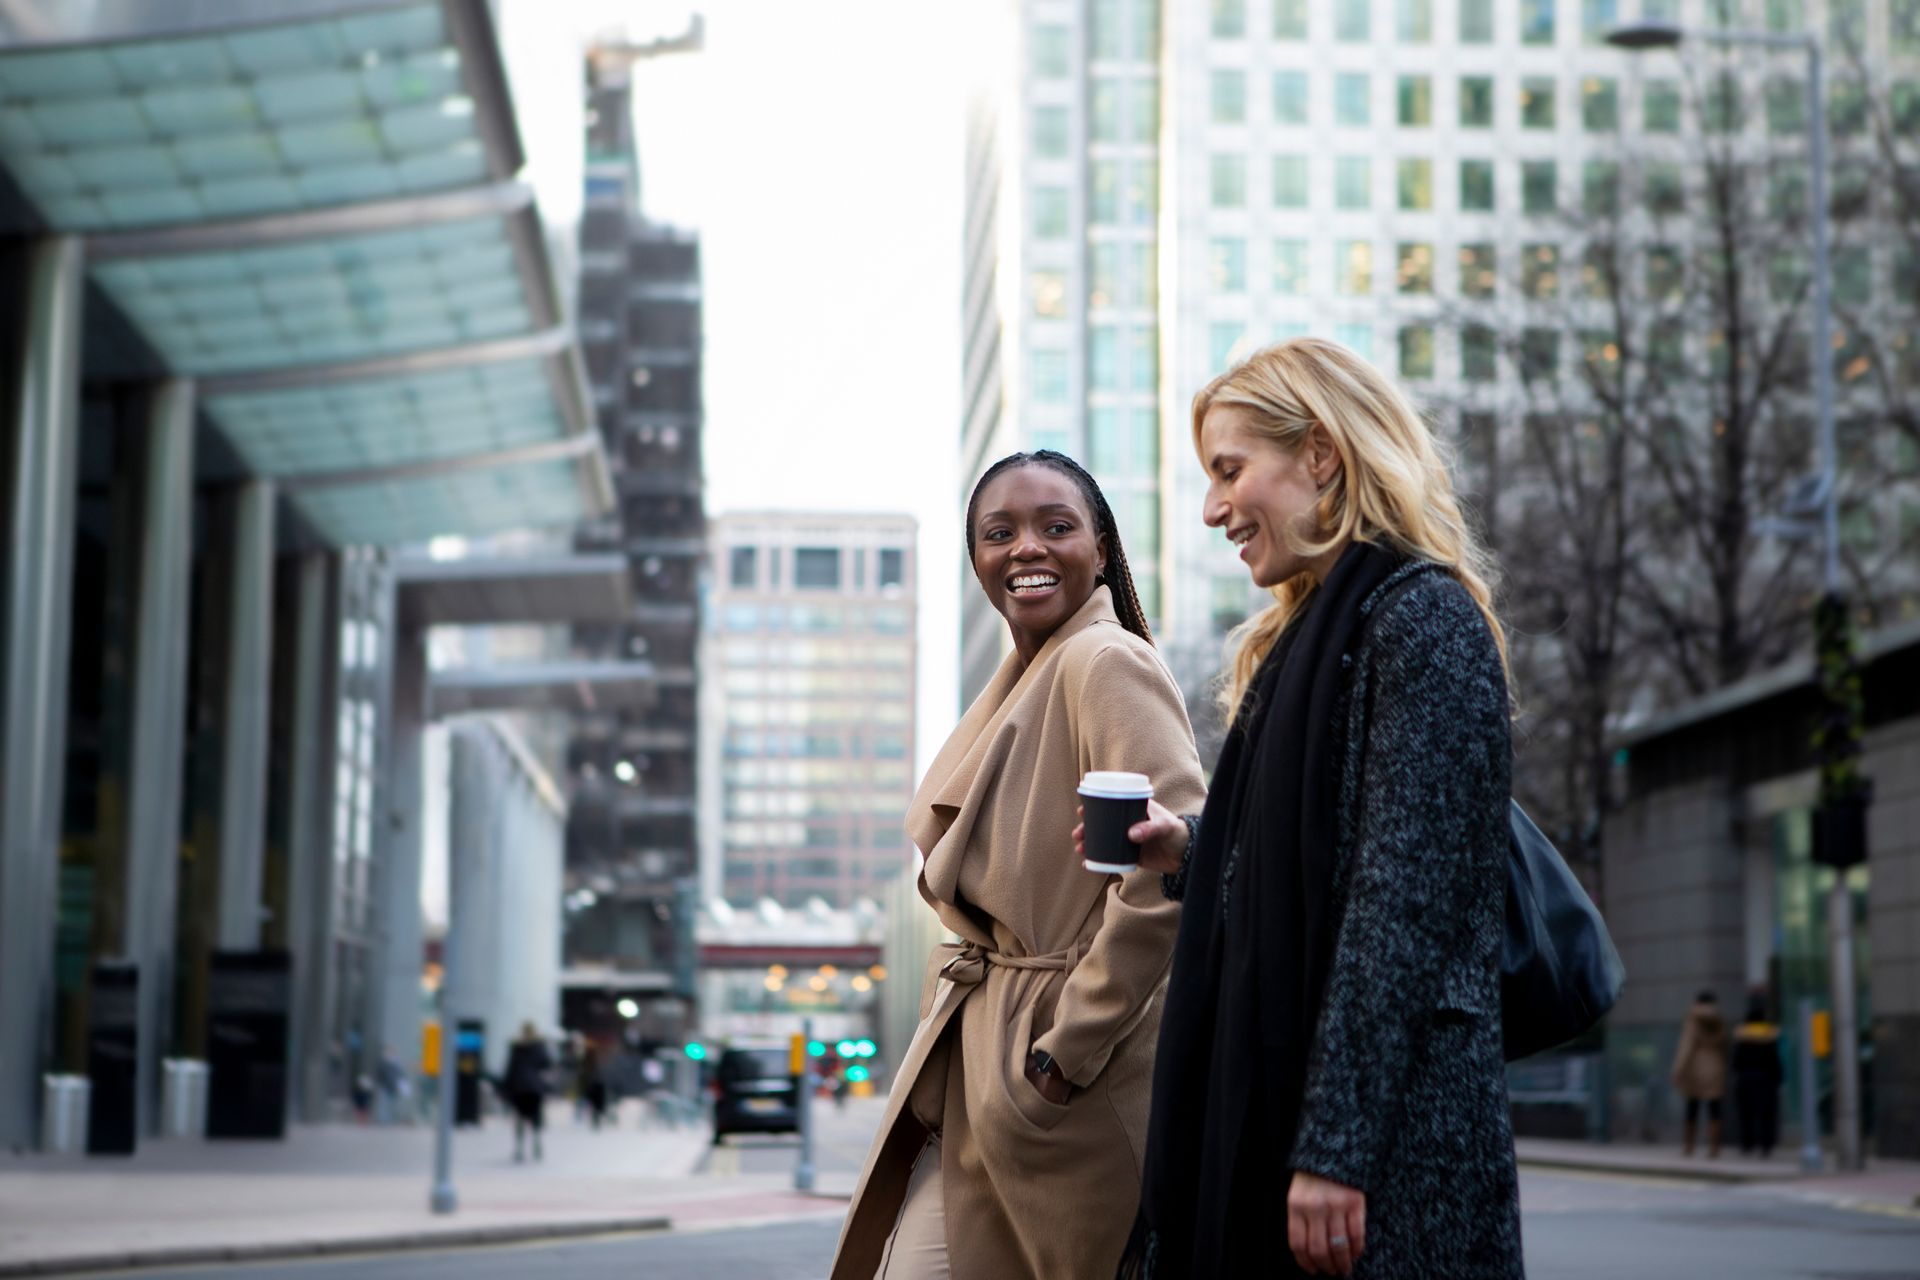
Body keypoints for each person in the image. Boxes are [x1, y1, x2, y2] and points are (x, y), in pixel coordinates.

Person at [1112, 338, 1522, 1277]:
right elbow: (1315, 871)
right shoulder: (1307, 641)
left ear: (1321, 456)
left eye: (1230, 470)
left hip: (1389, 1152)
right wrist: (1197, 855)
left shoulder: (1420, 622)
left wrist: (1336, 1149)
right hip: (1320, 1131)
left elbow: (1399, 912)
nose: (1214, 508)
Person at [830, 451, 1207, 1280]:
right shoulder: (1027, 674)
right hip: (986, 1076)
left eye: (1056, 526)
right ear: (976, 560)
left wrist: (1062, 1053)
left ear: (1101, 547)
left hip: (1065, 1083)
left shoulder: (1105, 662)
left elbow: (1172, 868)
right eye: (999, 533)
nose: (1026, 548)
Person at [1673, 991, 1730, 1158]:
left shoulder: (1693, 1018)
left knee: (1692, 1108)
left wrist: (1677, 1070)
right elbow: (1725, 1044)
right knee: (1715, 1108)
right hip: (1715, 1066)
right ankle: (1714, 1148)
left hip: (1695, 1067)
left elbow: (1687, 1046)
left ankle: (1689, 1146)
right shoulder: (1718, 1019)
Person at [1730, 994, 1784, 1158]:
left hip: (1746, 1078)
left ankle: (1747, 1144)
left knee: (1746, 1114)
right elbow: (1775, 1059)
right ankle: (1766, 1146)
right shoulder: (1769, 1034)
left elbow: (1736, 1061)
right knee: (1766, 1114)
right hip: (1766, 1079)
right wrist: (1778, 1077)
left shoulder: (1742, 1035)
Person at [502, 1022, 552, 1162]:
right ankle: (536, 1141)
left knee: (520, 1118)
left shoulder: (516, 1047)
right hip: (534, 1088)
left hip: (519, 1088)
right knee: (535, 1117)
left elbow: (510, 1068)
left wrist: (506, 1089)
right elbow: (547, 1064)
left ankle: (520, 1147)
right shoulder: (539, 1046)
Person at [576, 1043, 609, 1130]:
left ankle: (593, 1118)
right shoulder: (597, 1061)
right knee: (596, 1105)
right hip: (597, 1085)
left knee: (593, 1104)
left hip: (592, 1085)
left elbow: (582, 1075)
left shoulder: (585, 1062)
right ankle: (595, 1119)